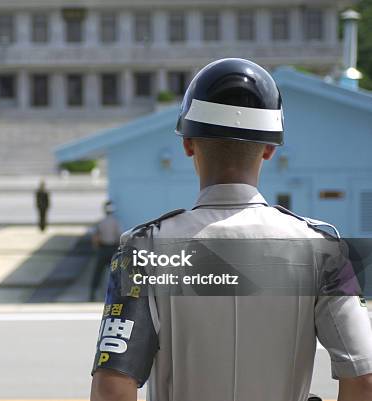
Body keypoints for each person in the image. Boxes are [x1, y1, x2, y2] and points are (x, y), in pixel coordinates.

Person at [90, 59, 372, 401]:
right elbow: (364, 379)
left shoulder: (144, 250)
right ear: (269, 149)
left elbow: (112, 388)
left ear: (188, 144)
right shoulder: (327, 252)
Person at [89, 201, 121, 301]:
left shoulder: (101, 222)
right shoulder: (116, 222)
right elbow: (119, 236)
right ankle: (118, 295)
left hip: (103, 249)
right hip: (113, 249)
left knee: (98, 272)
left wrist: (96, 248)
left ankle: (92, 293)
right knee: (117, 273)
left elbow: (95, 237)